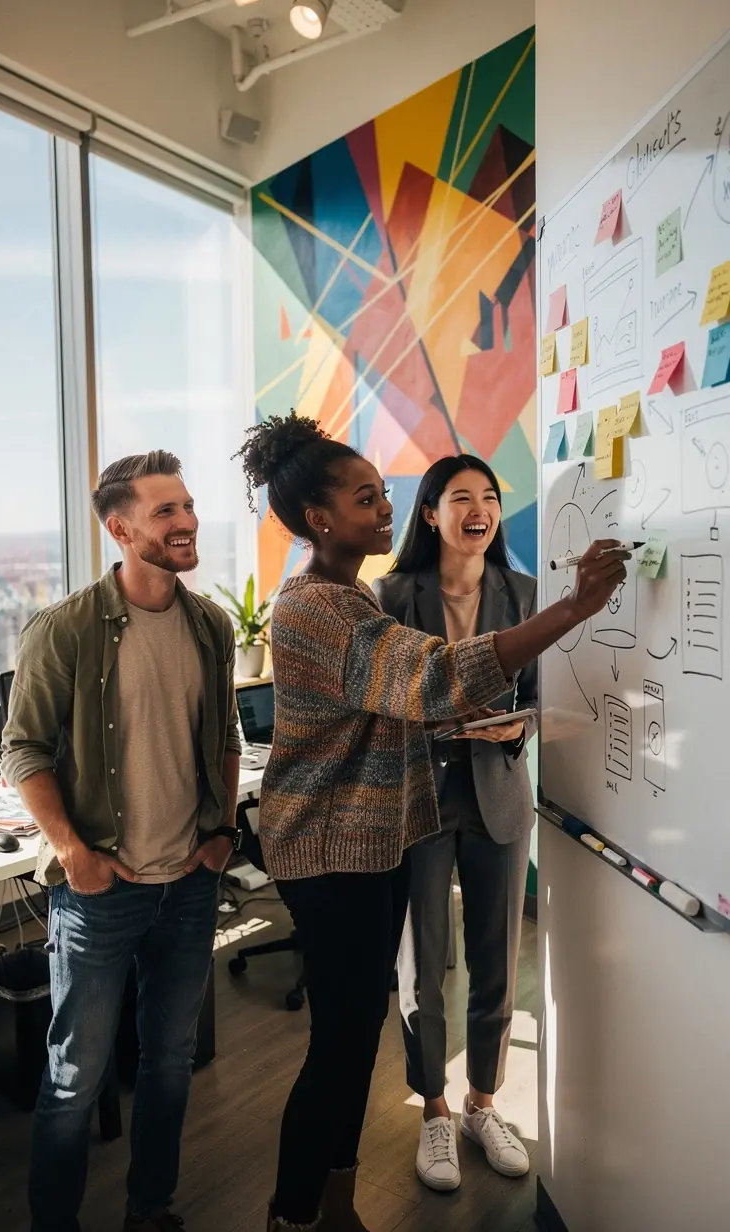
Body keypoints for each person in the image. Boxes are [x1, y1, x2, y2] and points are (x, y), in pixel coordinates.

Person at [234, 413, 628, 1232]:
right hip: (330, 850)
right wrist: (576, 608)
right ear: (317, 517)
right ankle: (293, 1216)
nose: (387, 508)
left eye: (385, 495)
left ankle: (336, 1209)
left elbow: (397, 709)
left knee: (353, 1042)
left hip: (373, 841)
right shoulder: (317, 607)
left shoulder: (348, 593)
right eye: (368, 498)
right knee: (338, 1051)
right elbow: (432, 679)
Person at [2, 450, 242, 1232]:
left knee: (169, 1064)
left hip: (190, 882)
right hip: (100, 891)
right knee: (74, 1079)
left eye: (188, 506)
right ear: (121, 527)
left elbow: (228, 736)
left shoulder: (210, 624)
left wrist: (223, 832)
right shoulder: (65, 629)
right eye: (166, 511)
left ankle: (151, 1210)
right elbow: (24, 749)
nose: (187, 522)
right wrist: (72, 849)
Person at [374, 454, 537, 1193]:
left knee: (497, 964)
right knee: (424, 967)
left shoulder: (527, 594)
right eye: (461, 497)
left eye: (491, 498)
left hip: (498, 794)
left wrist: (518, 728)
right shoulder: (392, 595)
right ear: (431, 512)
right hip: (420, 798)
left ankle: (481, 1103)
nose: (480, 509)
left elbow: (543, 698)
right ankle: (433, 1108)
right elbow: (377, 702)